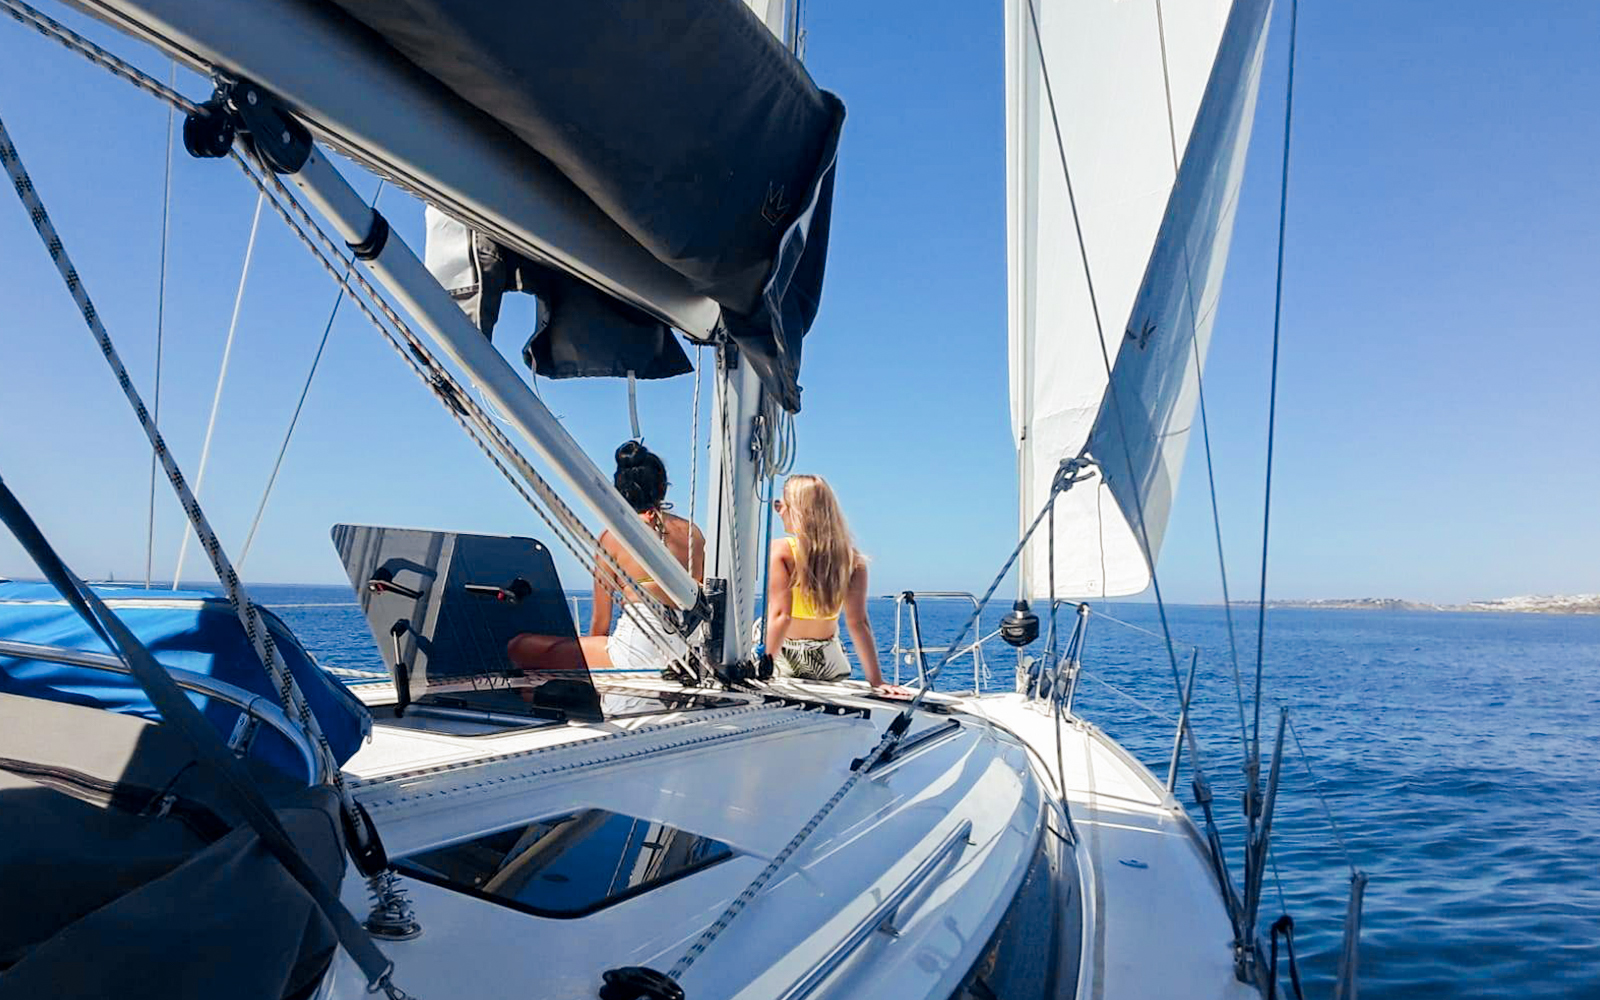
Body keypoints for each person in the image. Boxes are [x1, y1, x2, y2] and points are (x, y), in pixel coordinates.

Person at [507, 441, 704, 672]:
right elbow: (700, 594)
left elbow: (600, 622)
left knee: (520, 646)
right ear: (662, 487)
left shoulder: (613, 537)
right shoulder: (692, 532)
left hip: (636, 649)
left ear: (619, 490)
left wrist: (589, 662)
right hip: (685, 652)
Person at [763, 474, 888, 688]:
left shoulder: (781, 550)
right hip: (827, 663)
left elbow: (781, 616)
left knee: (757, 626)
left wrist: (763, 670)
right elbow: (858, 623)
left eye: (780, 504)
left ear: (798, 510)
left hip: (783, 658)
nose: (778, 511)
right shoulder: (852, 559)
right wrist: (877, 682)